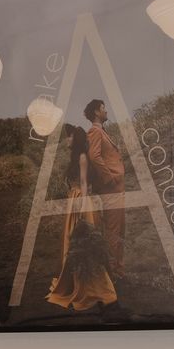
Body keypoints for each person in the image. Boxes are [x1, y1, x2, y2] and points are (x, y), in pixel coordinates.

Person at [46, 124, 117, 310]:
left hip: (80, 200)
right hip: (74, 199)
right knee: (71, 241)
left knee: (82, 241)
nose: (67, 140)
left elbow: (84, 183)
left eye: (69, 136)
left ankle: (90, 287)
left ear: (75, 139)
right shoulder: (76, 157)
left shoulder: (83, 157)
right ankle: (74, 281)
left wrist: (83, 207)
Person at [83, 99, 126, 279]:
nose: (106, 111)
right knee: (113, 230)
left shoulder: (101, 131)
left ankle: (117, 269)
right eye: (103, 108)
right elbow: (94, 156)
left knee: (119, 229)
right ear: (96, 112)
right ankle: (112, 272)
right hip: (111, 188)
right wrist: (109, 178)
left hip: (116, 188)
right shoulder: (95, 131)